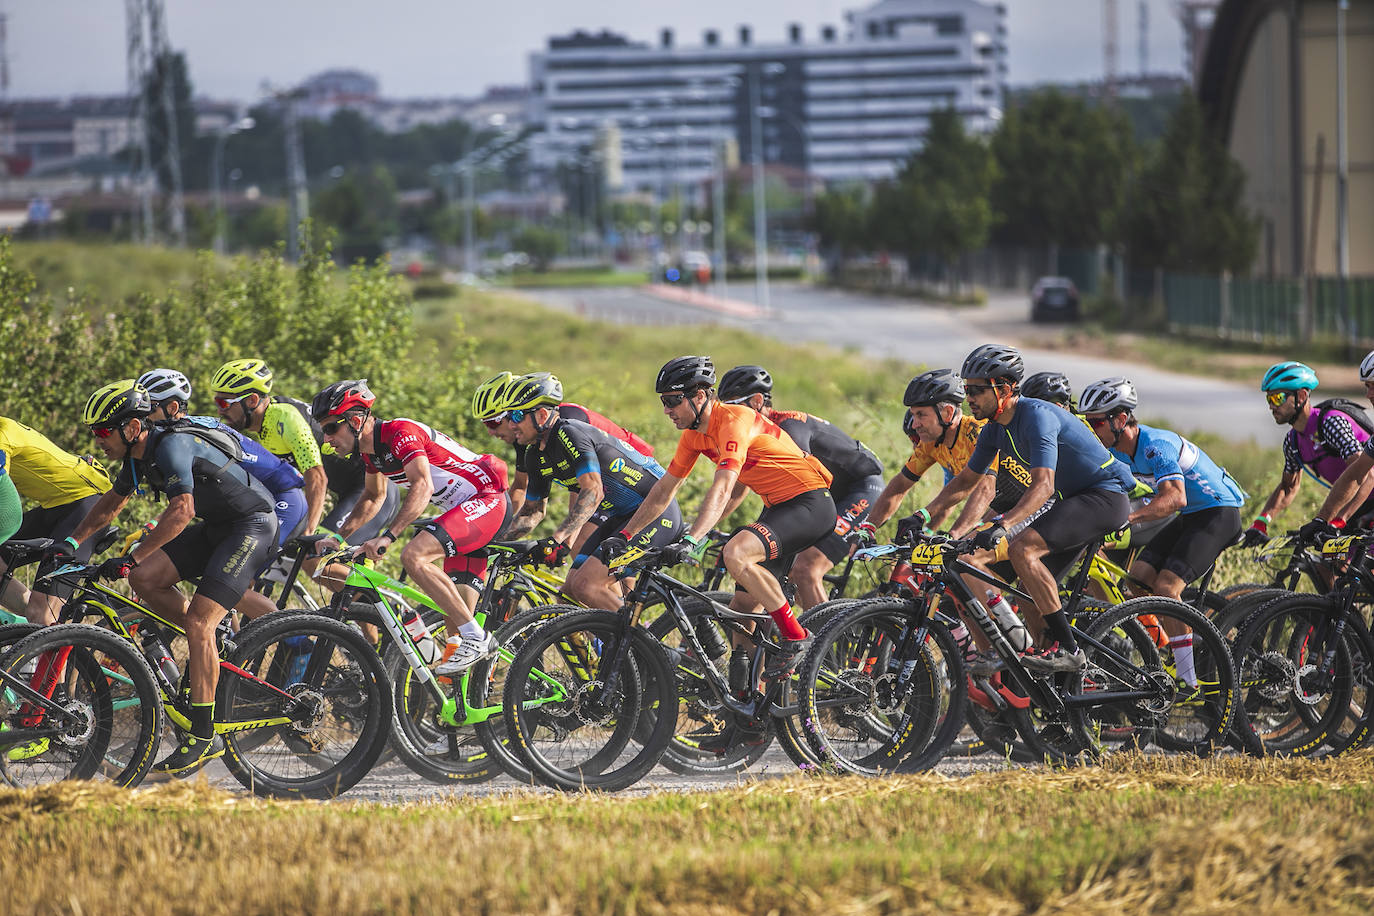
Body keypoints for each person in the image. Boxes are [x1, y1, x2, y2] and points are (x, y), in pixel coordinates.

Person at [62, 380, 278, 774]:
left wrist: (132, 554)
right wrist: (68, 542)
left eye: (102, 431)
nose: (98, 441)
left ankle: (202, 734)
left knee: (198, 620)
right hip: (219, 528)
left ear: (130, 428)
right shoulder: (136, 457)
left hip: (252, 525)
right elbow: (113, 501)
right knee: (144, 579)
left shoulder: (171, 446)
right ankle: (207, 649)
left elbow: (182, 510)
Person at [606, 356, 835, 696]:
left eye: (672, 401)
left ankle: (796, 636)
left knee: (737, 554)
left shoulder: (735, 419)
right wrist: (625, 535)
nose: (667, 410)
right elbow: (663, 491)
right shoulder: (693, 436)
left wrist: (693, 538)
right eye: (663, 403)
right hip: (777, 508)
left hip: (810, 504)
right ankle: (749, 711)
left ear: (700, 396)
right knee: (742, 613)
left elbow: (724, 487)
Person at [922, 345, 1135, 672]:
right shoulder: (995, 429)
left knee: (1023, 550)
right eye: (966, 390)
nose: (968, 399)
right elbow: (966, 480)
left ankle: (1070, 651)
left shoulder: (1037, 416)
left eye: (976, 390)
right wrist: (923, 515)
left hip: (1104, 496)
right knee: (1024, 588)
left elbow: (1043, 486)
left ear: (1004, 389)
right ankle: (1050, 681)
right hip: (1073, 501)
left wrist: (1003, 525)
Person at [313, 379, 508, 676]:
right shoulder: (370, 452)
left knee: (413, 556)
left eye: (330, 428)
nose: (327, 439)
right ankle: (468, 708)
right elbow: (373, 496)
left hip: (487, 498)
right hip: (462, 511)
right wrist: (339, 537)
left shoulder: (400, 433)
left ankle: (479, 639)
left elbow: (423, 485)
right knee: (455, 623)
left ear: (354, 421)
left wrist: (389, 536)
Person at [496, 372, 682, 610]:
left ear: (542, 415)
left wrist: (558, 539)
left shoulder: (569, 432)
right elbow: (532, 512)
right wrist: (497, 544)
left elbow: (593, 491)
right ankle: (613, 644)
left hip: (655, 513)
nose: (511, 424)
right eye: (509, 416)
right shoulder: (535, 455)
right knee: (570, 593)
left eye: (517, 415)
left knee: (588, 585)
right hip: (621, 517)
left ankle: (643, 645)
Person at [138, 368, 309, 621]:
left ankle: (297, 643)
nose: (141, 418)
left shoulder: (187, 435)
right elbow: (185, 494)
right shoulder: (174, 437)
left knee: (231, 585)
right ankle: (233, 646)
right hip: (249, 505)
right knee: (220, 582)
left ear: (172, 407)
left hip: (283, 497)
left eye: (146, 409)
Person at [716, 364, 885, 609]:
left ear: (756, 401)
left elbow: (797, 490)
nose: (728, 416)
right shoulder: (751, 434)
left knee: (806, 568)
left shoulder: (788, 427)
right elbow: (736, 490)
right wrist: (702, 531)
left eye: (733, 406)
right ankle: (803, 639)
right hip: (823, 495)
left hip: (861, 489)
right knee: (779, 573)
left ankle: (826, 645)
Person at [210, 358, 402, 571]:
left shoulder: (284, 418)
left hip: (372, 491)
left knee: (314, 558)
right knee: (316, 560)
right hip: (352, 491)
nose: (219, 411)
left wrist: (309, 530)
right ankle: (361, 603)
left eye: (223, 403)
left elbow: (317, 478)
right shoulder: (266, 425)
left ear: (252, 400)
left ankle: (371, 603)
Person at [1080, 377, 1245, 602]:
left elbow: (1176, 498)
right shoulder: (1115, 450)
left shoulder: (1156, 446)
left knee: (1167, 588)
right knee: (1138, 580)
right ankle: (1156, 637)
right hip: (1189, 517)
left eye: (1096, 423)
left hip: (1219, 513)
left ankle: (1184, 637)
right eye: (1086, 422)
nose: (1090, 429)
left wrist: (1128, 519)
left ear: (1120, 420)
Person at [472, 370, 653, 530]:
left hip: (632, 471)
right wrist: (497, 529)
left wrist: (563, 540)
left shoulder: (566, 423)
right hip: (600, 482)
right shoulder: (527, 435)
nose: (490, 432)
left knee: (579, 541)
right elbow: (520, 487)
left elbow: (581, 485)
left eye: (493, 423)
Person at [1243, 361, 1374, 547]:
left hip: (1365, 498)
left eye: (1277, 398)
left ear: (1302, 395)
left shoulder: (1331, 423)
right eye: (1269, 399)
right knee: (1325, 562)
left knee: (1353, 561)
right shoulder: (1292, 442)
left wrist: (1338, 520)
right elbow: (1288, 487)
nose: (1272, 406)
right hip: (1353, 504)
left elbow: (1368, 475)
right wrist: (1261, 522)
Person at [859, 369, 995, 541]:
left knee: (967, 559)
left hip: (1024, 505)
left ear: (947, 413)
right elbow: (900, 486)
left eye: (920, 415)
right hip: (1000, 510)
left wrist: (955, 535)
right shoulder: (930, 444)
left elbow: (986, 489)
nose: (914, 424)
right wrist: (868, 527)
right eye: (913, 415)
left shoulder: (977, 432)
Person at [0, 415, 112, 624]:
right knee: (36, 615)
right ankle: (30, 631)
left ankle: (45, 631)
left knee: (41, 612)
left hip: (86, 506)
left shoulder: (2, 435)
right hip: (54, 508)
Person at [1299, 350, 1374, 540]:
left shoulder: (1330, 422)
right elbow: (1358, 473)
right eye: (1367, 386)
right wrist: (1323, 520)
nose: (1368, 394)